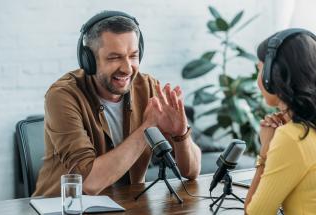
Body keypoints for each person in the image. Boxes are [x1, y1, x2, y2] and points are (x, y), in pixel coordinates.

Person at [33, 11, 201, 197]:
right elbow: (89, 183)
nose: (127, 68)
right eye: (114, 58)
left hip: (128, 206)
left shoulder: (148, 88)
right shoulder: (62, 96)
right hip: (65, 208)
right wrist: (148, 127)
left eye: (133, 56)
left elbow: (191, 172)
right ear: (89, 60)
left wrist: (181, 135)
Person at [244, 29, 316, 215]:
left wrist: (265, 153)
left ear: (272, 76)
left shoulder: (293, 137)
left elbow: (254, 213)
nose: (258, 80)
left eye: (260, 70)